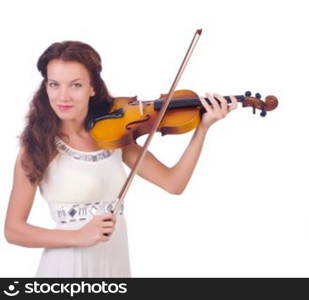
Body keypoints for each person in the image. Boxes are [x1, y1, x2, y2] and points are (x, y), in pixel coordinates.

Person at [4, 41, 236, 277]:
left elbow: (173, 183)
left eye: (75, 85)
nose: (63, 96)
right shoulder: (36, 145)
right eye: (54, 84)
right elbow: (13, 230)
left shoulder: (114, 136)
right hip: (66, 267)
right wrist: (77, 236)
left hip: (113, 263)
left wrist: (202, 129)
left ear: (92, 87)